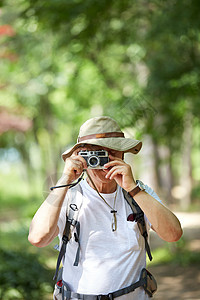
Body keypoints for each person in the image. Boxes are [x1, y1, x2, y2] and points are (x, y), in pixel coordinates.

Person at [28, 116, 182, 300]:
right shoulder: (68, 195)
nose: (103, 161)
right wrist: (65, 180)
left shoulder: (139, 193)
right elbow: (38, 238)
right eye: (96, 153)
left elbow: (173, 234)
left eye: (112, 152)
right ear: (81, 156)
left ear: (123, 154)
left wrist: (132, 189)